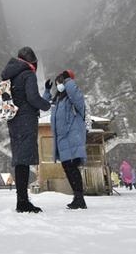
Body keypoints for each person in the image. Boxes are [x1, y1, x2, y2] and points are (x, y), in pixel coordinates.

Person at [1, 47, 51, 213]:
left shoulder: (12, 75)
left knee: (20, 160)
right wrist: (47, 105)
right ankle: (22, 202)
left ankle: (21, 199)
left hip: (14, 120)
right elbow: (33, 98)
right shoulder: (27, 74)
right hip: (25, 119)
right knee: (23, 161)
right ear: (32, 61)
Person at [43, 70, 88, 209]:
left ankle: (80, 198)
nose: (59, 85)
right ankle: (77, 196)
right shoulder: (58, 100)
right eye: (58, 83)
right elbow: (45, 104)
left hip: (73, 137)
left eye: (61, 82)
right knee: (68, 167)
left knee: (73, 167)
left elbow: (74, 93)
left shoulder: (74, 98)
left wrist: (68, 80)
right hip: (62, 139)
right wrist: (47, 90)